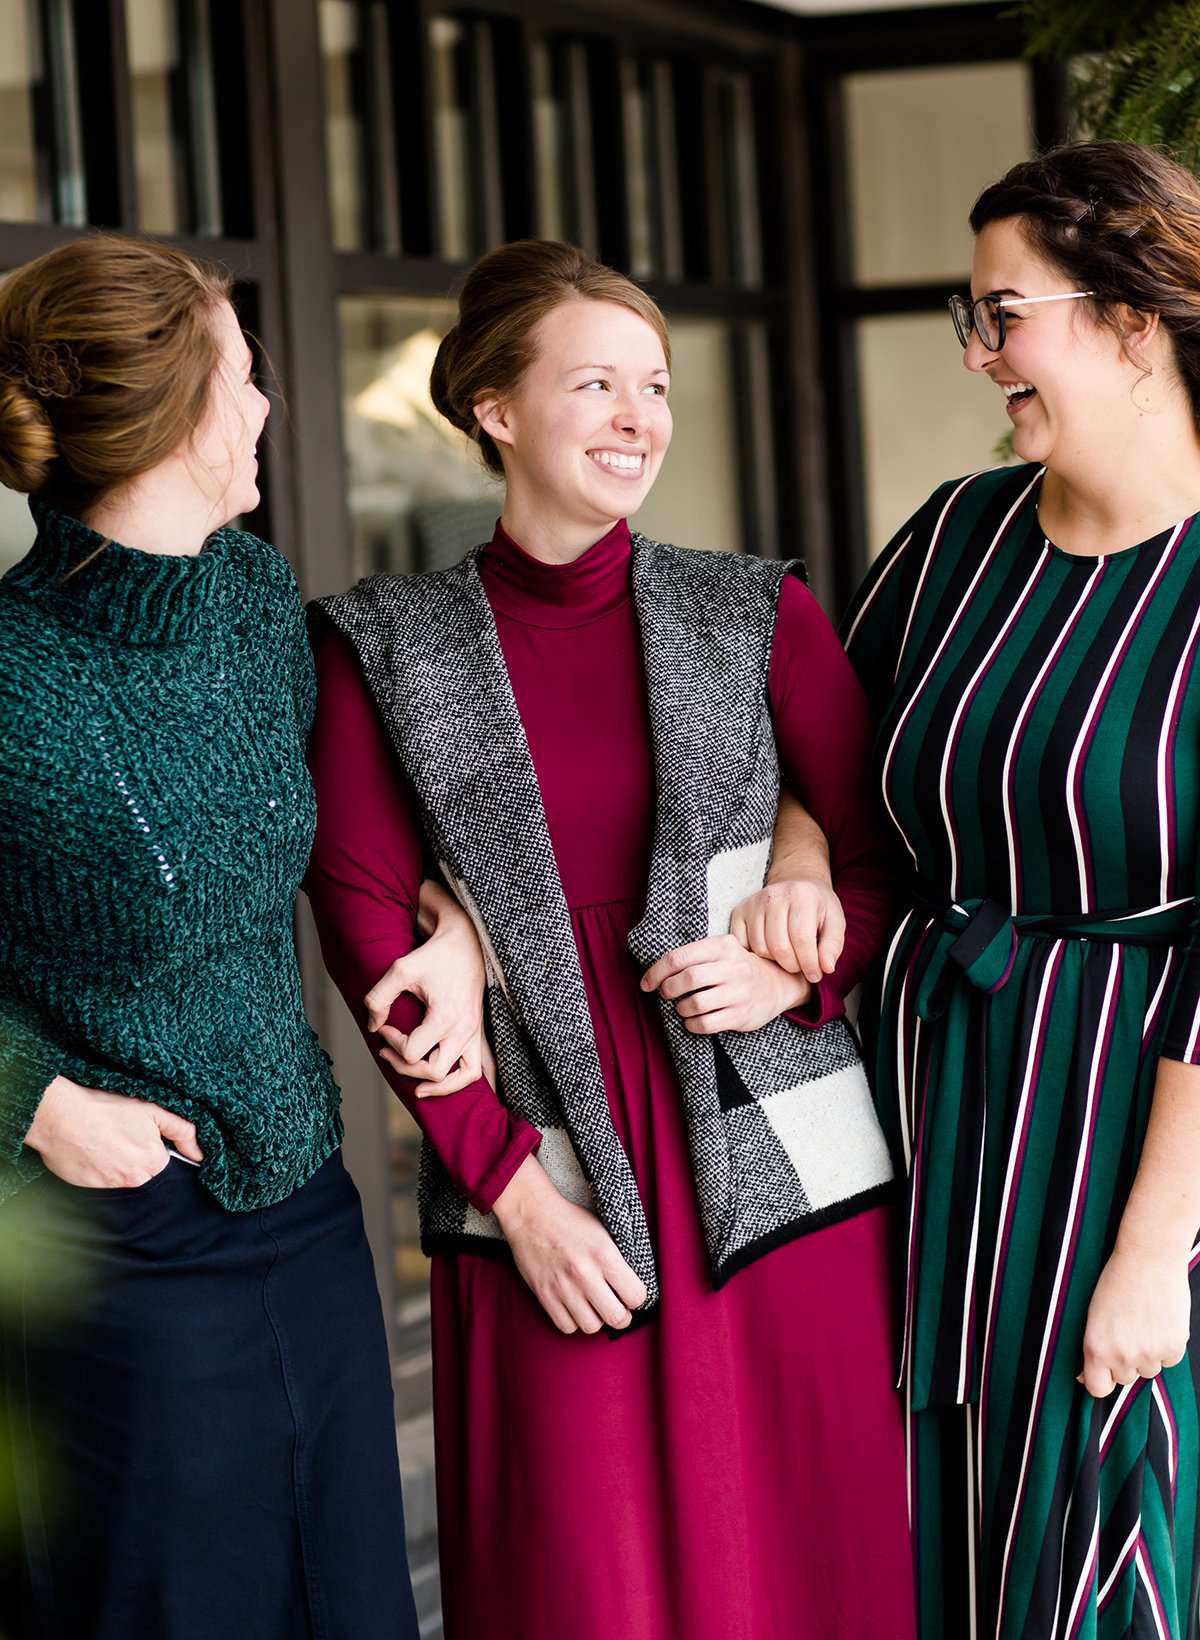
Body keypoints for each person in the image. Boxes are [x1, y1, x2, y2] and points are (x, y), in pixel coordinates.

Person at [303, 238, 915, 1640]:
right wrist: (512, 1195)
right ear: (495, 409)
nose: (641, 418)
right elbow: (361, 926)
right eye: (596, 384)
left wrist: (796, 957)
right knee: (578, 1586)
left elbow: (882, 851)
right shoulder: (382, 643)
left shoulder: (754, 607)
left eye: (657, 384)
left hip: (776, 1164)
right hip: (547, 1178)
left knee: (819, 1569)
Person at [755, 140, 1200, 1638]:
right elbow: (819, 751)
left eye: (1006, 315)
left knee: (1102, 1523)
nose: (978, 352)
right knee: (927, 1514)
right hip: (928, 1099)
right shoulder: (956, 535)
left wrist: (1150, 1254)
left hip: (1135, 1133)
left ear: (1134, 320)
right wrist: (805, 863)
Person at [0, 235, 425, 1640]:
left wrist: (459, 937)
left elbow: (368, 840)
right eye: (245, 376)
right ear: (181, 411)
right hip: (113, 1249)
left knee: (349, 1596)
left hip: (303, 1208)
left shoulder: (253, 606)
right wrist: (40, 1102)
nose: (264, 405)